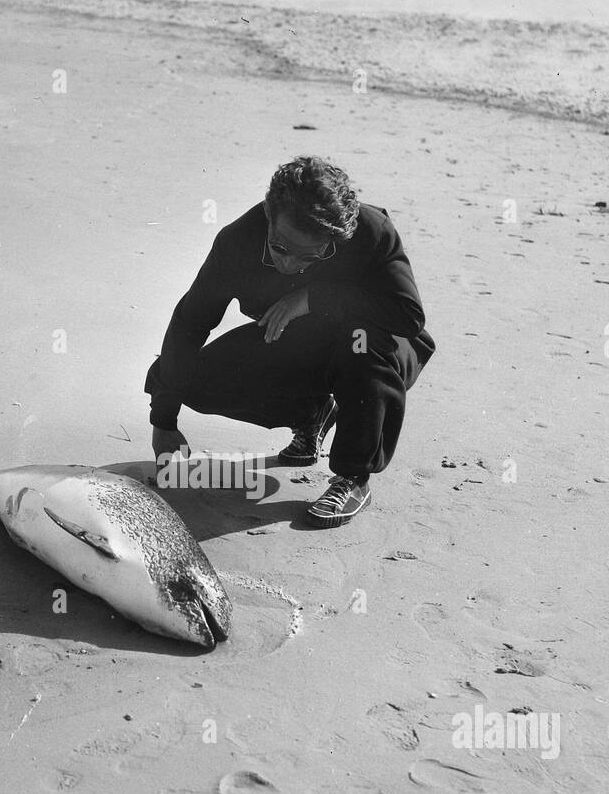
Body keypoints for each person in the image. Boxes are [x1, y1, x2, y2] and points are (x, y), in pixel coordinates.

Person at [144, 156, 434, 527]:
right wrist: (164, 419)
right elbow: (190, 323)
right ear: (268, 213)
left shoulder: (372, 232)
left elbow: (408, 316)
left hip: (379, 348)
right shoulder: (237, 243)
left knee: (361, 342)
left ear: (337, 238)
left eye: (311, 256)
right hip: (300, 342)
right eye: (280, 248)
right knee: (182, 378)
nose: (290, 265)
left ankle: (353, 478)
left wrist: (313, 297)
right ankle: (311, 418)